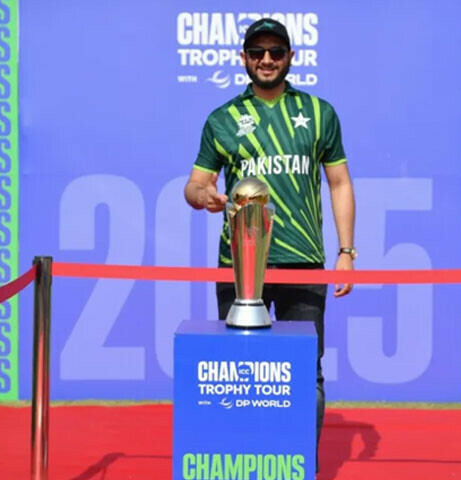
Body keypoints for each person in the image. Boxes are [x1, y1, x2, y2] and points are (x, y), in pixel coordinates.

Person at [183, 18, 356, 468]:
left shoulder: (319, 113)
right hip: (240, 266)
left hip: (303, 262)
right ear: (243, 58)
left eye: (276, 52)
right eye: (257, 52)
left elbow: (339, 183)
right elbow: (195, 185)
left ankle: (300, 467)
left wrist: (346, 252)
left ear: (290, 57)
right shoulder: (222, 119)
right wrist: (204, 197)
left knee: (305, 374)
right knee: (239, 375)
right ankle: (245, 465)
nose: (266, 60)